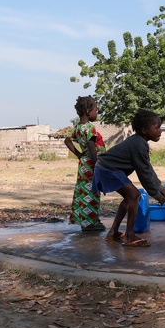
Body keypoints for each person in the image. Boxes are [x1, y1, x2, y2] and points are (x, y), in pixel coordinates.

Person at [92, 110, 165, 247]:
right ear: (145, 130)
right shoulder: (138, 144)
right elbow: (143, 173)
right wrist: (156, 194)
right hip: (107, 169)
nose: (160, 131)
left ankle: (113, 232)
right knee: (134, 195)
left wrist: (160, 187)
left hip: (106, 167)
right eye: (157, 127)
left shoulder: (139, 142)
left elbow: (147, 168)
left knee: (129, 197)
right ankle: (129, 236)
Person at [64, 96, 107, 232]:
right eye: (96, 109)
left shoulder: (78, 128)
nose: (97, 113)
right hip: (91, 165)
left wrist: (78, 154)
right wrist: (97, 163)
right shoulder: (90, 128)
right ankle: (90, 224)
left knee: (83, 193)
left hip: (83, 164)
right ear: (89, 111)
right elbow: (91, 145)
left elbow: (67, 140)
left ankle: (88, 220)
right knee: (92, 193)